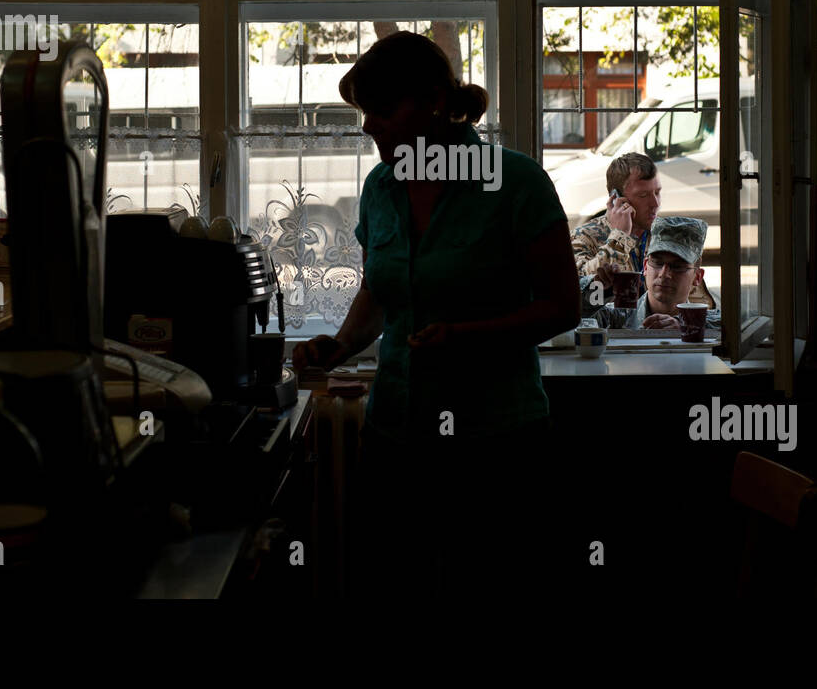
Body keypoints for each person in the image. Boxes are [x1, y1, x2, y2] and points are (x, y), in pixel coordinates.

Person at [291, 31, 580, 605]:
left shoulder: (516, 183)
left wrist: (468, 338)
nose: (369, 126)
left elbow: (562, 307)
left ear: (431, 105)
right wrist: (339, 345)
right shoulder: (379, 188)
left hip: (494, 441)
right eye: (364, 112)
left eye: (381, 110)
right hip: (395, 434)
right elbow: (378, 291)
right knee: (397, 589)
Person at [570, 153, 714, 314]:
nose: (655, 203)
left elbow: (698, 300)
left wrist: (677, 323)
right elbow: (578, 292)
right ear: (616, 198)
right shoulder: (585, 237)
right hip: (611, 334)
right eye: (643, 195)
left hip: (662, 336)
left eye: (657, 192)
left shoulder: (664, 234)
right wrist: (619, 238)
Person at [590, 216, 722, 332]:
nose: (664, 274)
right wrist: (596, 288)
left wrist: (686, 328)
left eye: (677, 267)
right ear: (645, 266)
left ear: (697, 276)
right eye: (658, 263)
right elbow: (576, 318)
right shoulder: (616, 317)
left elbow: (731, 328)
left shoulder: (708, 323)